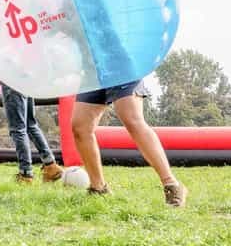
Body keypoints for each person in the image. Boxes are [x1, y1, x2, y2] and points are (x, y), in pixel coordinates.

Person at [71, 79, 187, 207]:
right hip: (94, 74)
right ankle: (98, 188)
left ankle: (172, 184)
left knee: (132, 120)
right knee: (80, 127)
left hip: (123, 71)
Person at [0, 82, 63, 183]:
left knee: (18, 129)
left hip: (12, 82)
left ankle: (25, 174)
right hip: (26, 82)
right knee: (30, 126)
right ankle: (50, 166)